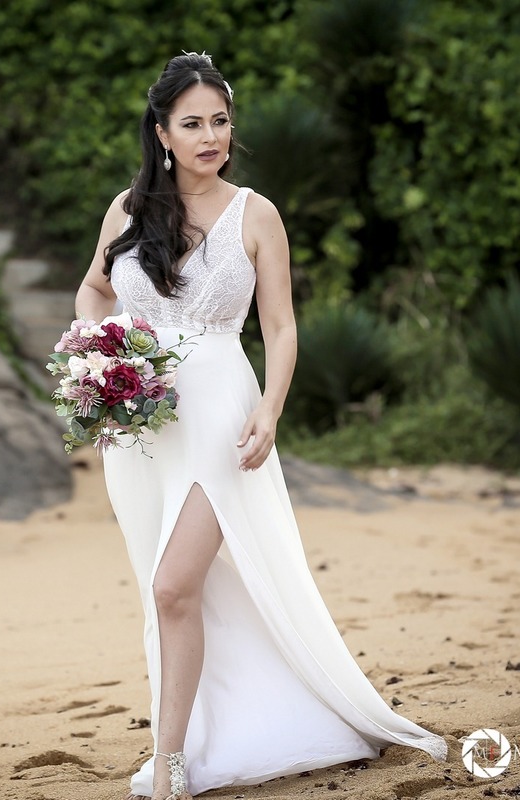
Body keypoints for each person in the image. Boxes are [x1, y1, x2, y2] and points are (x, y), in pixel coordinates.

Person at [72, 52, 448, 800]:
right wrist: (100, 349)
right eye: (193, 124)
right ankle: (233, 723)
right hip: (143, 422)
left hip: (219, 411)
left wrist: (270, 410)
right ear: (162, 132)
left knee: (175, 586)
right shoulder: (127, 208)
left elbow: (279, 327)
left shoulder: (256, 213)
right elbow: (93, 289)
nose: (211, 136)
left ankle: (171, 759)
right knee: (174, 591)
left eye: (220, 121)